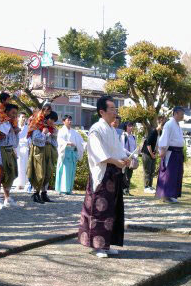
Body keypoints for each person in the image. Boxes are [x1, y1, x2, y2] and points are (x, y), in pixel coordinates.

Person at [78, 96, 131, 258]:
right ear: (102, 112)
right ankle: (97, 246)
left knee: (112, 210)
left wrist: (125, 159)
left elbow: (118, 150)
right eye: (112, 109)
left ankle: (106, 245)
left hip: (114, 173)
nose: (115, 112)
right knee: (99, 209)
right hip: (102, 173)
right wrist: (117, 161)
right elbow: (99, 154)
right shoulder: (96, 129)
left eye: (115, 109)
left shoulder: (111, 129)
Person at [0, 103, 20, 210]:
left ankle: (7, 198)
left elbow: (15, 143)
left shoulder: (13, 124)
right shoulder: (1, 122)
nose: (14, 115)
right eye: (12, 112)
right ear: (6, 112)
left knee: (10, 174)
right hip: (1, 150)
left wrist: (15, 132)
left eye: (16, 113)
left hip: (10, 150)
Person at [156, 107, 186, 203]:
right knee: (169, 174)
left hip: (178, 152)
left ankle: (173, 194)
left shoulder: (177, 125)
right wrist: (162, 150)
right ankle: (166, 195)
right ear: (176, 113)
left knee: (177, 174)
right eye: (181, 114)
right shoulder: (169, 124)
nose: (183, 116)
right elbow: (164, 138)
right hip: (171, 152)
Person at [28, 110, 58, 204]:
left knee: (48, 172)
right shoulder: (38, 126)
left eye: (54, 120)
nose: (52, 122)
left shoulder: (51, 128)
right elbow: (35, 139)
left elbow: (53, 142)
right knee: (39, 171)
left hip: (48, 150)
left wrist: (53, 135)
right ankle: (35, 193)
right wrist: (45, 134)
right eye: (51, 119)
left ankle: (44, 193)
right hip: (39, 151)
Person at [55, 115, 84, 195]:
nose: (70, 122)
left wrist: (81, 145)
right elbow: (59, 140)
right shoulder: (61, 131)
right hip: (65, 152)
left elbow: (80, 141)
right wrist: (67, 143)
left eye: (71, 120)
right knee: (64, 170)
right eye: (68, 120)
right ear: (63, 121)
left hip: (72, 153)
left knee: (71, 171)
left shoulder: (74, 132)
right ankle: (63, 189)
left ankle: (69, 189)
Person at [141, 117, 165, 194]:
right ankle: (146, 187)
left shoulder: (159, 133)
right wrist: (151, 154)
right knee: (147, 170)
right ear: (159, 124)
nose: (163, 127)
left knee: (152, 170)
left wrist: (157, 152)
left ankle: (150, 186)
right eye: (162, 125)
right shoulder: (153, 131)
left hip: (153, 153)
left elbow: (157, 144)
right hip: (147, 153)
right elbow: (148, 144)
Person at [12, 112, 30, 191]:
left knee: (24, 165)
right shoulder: (15, 126)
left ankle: (24, 183)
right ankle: (18, 183)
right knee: (18, 165)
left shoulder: (27, 127)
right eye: (22, 117)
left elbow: (29, 138)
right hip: (17, 147)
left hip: (25, 147)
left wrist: (29, 144)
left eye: (24, 117)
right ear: (18, 117)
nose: (23, 119)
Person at [120, 122, 138, 195]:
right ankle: (123, 189)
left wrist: (136, 154)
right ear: (125, 127)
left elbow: (135, 147)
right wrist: (131, 154)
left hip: (132, 158)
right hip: (125, 157)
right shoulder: (123, 136)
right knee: (124, 174)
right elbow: (122, 148)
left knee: (129, 174)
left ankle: (127, 190)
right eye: (129, 126)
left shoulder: (134, 137)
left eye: (132, 126)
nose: (131, 127)